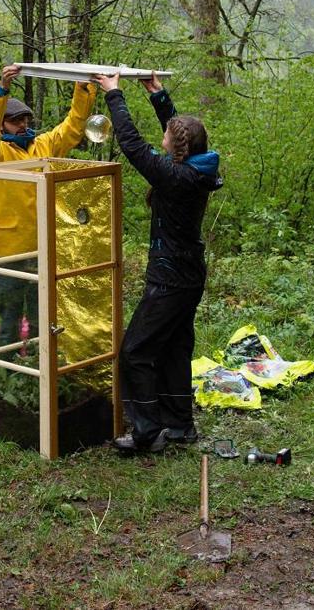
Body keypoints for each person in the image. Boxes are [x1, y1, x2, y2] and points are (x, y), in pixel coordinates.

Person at [92, 70, 222, 453]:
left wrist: (114, 95)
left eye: (167, 132)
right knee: (174, 350)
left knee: (135, 352)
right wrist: (158, 96)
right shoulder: (196, 167)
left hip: (170, 279)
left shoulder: (175, 176)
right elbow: (179, 135)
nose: (163, 134)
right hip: (188, 275)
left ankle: (146, 431)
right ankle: (179, 425)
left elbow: (132, 146)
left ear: (176, 143)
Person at [0, 63, 96, 345]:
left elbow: (72, 128)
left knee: (42, 315)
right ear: (2, 123)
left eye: (25, 120)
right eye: (15, 120)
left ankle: (38, 366)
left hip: (40, 245)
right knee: (10, 317)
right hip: (6, 249)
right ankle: (7, 367)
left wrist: (83, 89)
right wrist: (1, 90)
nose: (22, 125)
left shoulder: (42, 145)